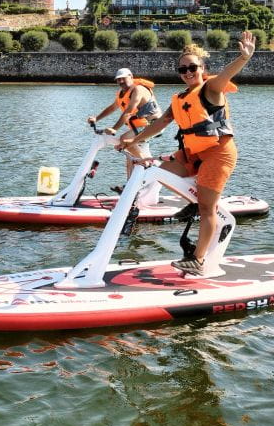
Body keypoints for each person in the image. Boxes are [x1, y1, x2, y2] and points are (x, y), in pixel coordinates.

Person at [118, 31, 256, 275]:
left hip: (218, 154)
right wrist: (133, 141)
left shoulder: (210, 88)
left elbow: (226, 75)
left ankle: (198, 260)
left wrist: (243, 58)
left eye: (192, 67)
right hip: (192, 154)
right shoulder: (180, 98)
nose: (188, 72)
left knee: (208, 209)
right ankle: (193, 203)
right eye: (183, 69)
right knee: (157, 173)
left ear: (202, 68)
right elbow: (159, 123)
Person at [87, 68, 163, 181]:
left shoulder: (138, 89)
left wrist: (114, 128)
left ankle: (148, 164)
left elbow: (128, 111)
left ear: (131, 77)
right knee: (129, 159)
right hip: (138, 127)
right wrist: (96, 118)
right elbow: (112, 108)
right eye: (118, 80)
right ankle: (129, 188)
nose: (121, 81)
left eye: (123, 78)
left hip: (152, 125)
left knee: (124, 139)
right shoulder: (121, 94)